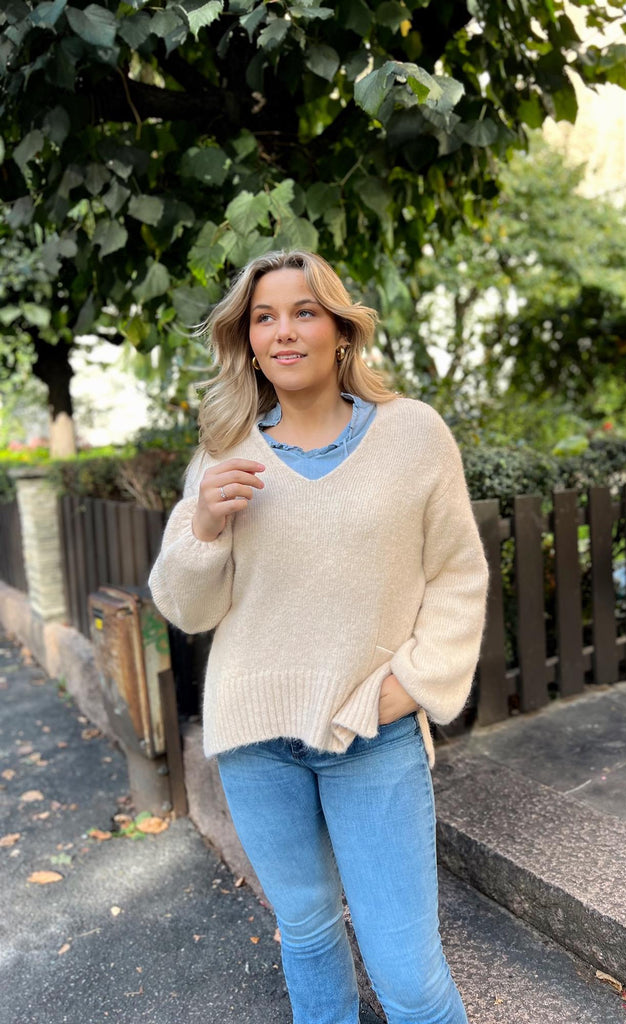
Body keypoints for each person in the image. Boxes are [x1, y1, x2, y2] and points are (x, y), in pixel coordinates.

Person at [148, 249, 489, 1024]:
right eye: (264, 318)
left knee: (408, 977)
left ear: (341, 330)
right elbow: (187, 608)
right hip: (254, 739)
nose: (284, 332)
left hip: (372, 734)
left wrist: (412, 685)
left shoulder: (413, 434)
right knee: (304, 932)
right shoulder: (224, 451)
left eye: (304, 312)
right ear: (247, 341)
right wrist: (204, 526)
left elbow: (458, 574)